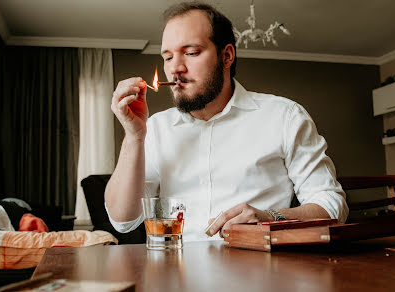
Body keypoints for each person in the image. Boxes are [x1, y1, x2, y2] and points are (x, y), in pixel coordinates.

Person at [105, 2, 348, 242]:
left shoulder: (285, 116)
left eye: (191, 53)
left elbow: (332, 206)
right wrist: (134, 137)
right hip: (174, 274)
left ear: (227, 56)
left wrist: (268, 218)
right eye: (168, 57)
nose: (175, 68)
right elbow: (123, 221)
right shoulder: (155, 129)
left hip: (262, 274)